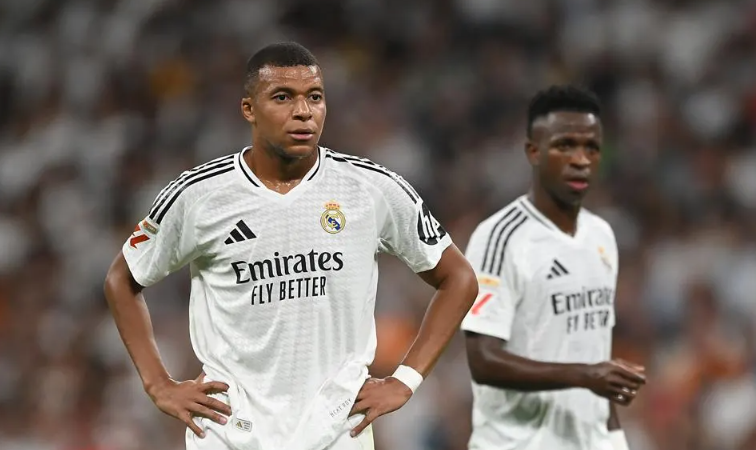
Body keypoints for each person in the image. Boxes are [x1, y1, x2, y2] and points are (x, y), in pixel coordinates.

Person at [103, 42, 478, 450]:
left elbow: (458, 278)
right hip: (230, 434)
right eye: (283, 97)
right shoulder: (199, 196)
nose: (303, 111)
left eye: (314, 97)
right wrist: (158, 384)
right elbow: (122, 279)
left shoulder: (371, 188)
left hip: (337, 434)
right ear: (249, 109)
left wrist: (405, 380)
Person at [461, 85, 646, 450]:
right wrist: (585, 376)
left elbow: (597, 353)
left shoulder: (602, 235)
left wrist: (615, 439)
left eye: (591, 148)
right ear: (533, 151)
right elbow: (482, 360)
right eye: (566, 145)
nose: (581, 160)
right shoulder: (500, 237)